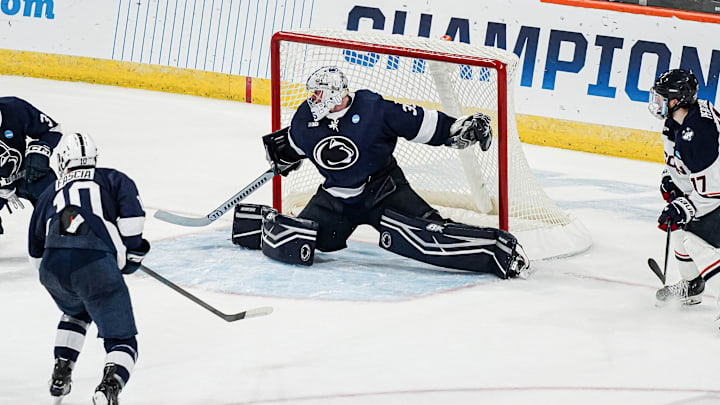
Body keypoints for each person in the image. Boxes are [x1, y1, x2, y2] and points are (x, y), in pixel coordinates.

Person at [234, 66, 529, 279]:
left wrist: (456, 128)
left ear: (337, 95)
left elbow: (422, 123)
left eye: (319, 93)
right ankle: (251, 226)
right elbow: (293, 146)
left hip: (385, 191)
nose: (313, 98)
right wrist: (282, 153)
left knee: (428, 237)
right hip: (336, 199)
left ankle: (497, 253)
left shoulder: (373, 108)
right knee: (298, 241)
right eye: (312, 92)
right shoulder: (305, 119)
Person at [28, 132, 150, 405]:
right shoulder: (112, 178)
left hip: (52, 268)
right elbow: (132, 225)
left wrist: (55, 273)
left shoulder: (51, 191)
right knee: (122, 339)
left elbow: (35, 250)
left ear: (64, 161)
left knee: (75, 312)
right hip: (94, 266)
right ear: (93, 159)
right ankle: (109, 387)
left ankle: (61, 372)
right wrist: (130, 254)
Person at [648, 68, 720, 305]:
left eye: (661, 98)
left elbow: (714, 193)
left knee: (695, 239)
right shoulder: (677, 122)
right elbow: (679, 162)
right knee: (679, 229)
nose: (656, 102)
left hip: (716, 192)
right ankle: (692, 287)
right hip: (711, 187)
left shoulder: (699, 135)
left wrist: (684, 207)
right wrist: (671, 178)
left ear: (677, 101)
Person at [0, 96, 62, 234]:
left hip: (25, 175)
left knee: (52, 196)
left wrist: (40, 150)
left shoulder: (14, 109)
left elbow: (52, 129)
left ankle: (63, 238)